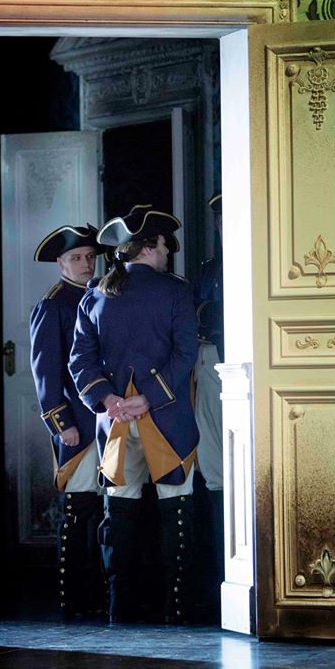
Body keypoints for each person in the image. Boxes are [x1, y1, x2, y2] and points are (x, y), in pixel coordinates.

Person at [69, 205, 199, 624]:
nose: (167, 253)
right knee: (175, 510)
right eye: (163, 245)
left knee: (119, 515)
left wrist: (108, 400)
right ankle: (177, 609)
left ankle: (119, 609)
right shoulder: (175, 292)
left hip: (116, 423)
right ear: (147, 247)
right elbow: (186, 355)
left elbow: (80, 360)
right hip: (167, 418)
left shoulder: (94, 294)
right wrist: (149, 398)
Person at [30, 224, 106, 619]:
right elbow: (45, 372)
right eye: (76, 258)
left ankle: (99, 594)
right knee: (79, 509)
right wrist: (62, 424)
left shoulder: (101, 296)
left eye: (90, 257)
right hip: (77, 422)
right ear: (60, 263)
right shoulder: (53, 305)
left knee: (104, 510)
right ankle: (75, 598)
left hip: (106, 419)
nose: (85, 264)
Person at [193, 192, 224, 621]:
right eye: (218, 219)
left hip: (246, 366)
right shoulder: (207, 269)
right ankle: (220, 575)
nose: (221, 226)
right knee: (213, 470)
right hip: (209, 365)